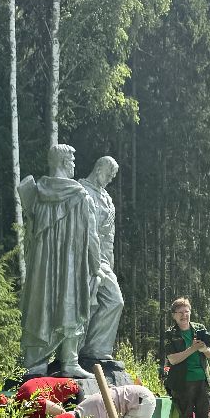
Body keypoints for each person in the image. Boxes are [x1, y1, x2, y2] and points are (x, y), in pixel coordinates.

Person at [19, 144, 99, 379]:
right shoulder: (79, 195)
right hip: (70, 263)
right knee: (71, 303)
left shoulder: (35, 192)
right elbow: (91, 235)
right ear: (64, 162)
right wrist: (96, 266)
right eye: (72, 161)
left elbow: (29, 233)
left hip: (42, 264)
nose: (74, 165)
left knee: (40, 303)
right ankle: (69, 361)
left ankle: (35, 363)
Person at [77, 156, 124, 370]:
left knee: (115, 301)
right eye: (109, 173)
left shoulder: (107, 198)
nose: (110, 179)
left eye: (114, 176)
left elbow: (109, 237)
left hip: (102, 259)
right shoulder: (79, 190)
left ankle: (96, 350)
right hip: (81, 256)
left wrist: (108, 263)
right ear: (99, 169)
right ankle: (73, 352)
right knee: (84, 306)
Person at [160, 299, 210, 418]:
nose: (184, 315)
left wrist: (204, 348)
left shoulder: (200, 329)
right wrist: (193, 349)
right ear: (174, 316)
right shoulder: (171, 334)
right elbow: (173, 359)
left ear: (190, 312)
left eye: (186, 311)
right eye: (180, 313)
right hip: (181, 384)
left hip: (203, 382)